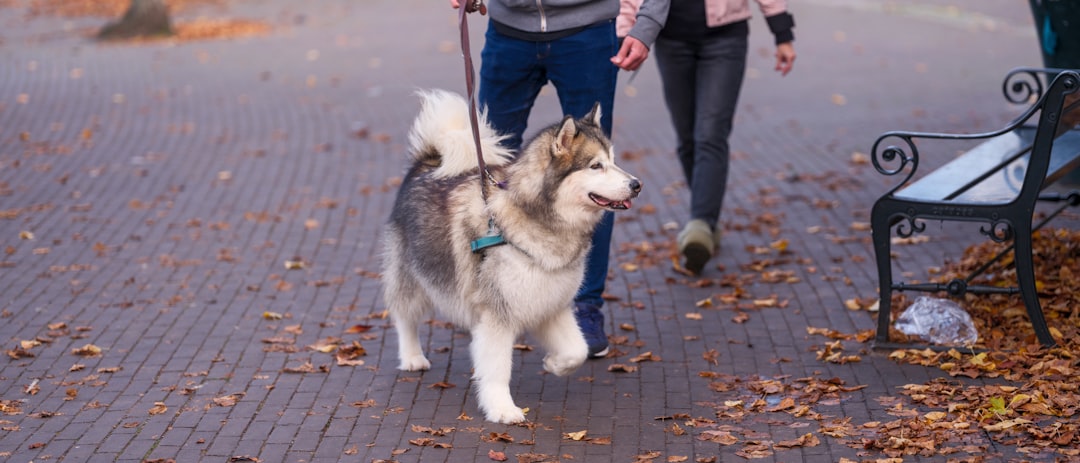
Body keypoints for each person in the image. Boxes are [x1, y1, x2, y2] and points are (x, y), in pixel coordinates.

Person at [449, 0, 670, 357]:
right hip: (509, 35)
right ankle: (488, 296)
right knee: (487, 170)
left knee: (594, 180)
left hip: (588, 35)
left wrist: (646, 26)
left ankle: (585, 306)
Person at [654, 0, 796, 275]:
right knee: (687, 140)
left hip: (725, 39)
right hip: (669, 39)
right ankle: (707, 221)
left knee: (710, 134)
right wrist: (627, 35)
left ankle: (700, 223)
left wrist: (783, 34)